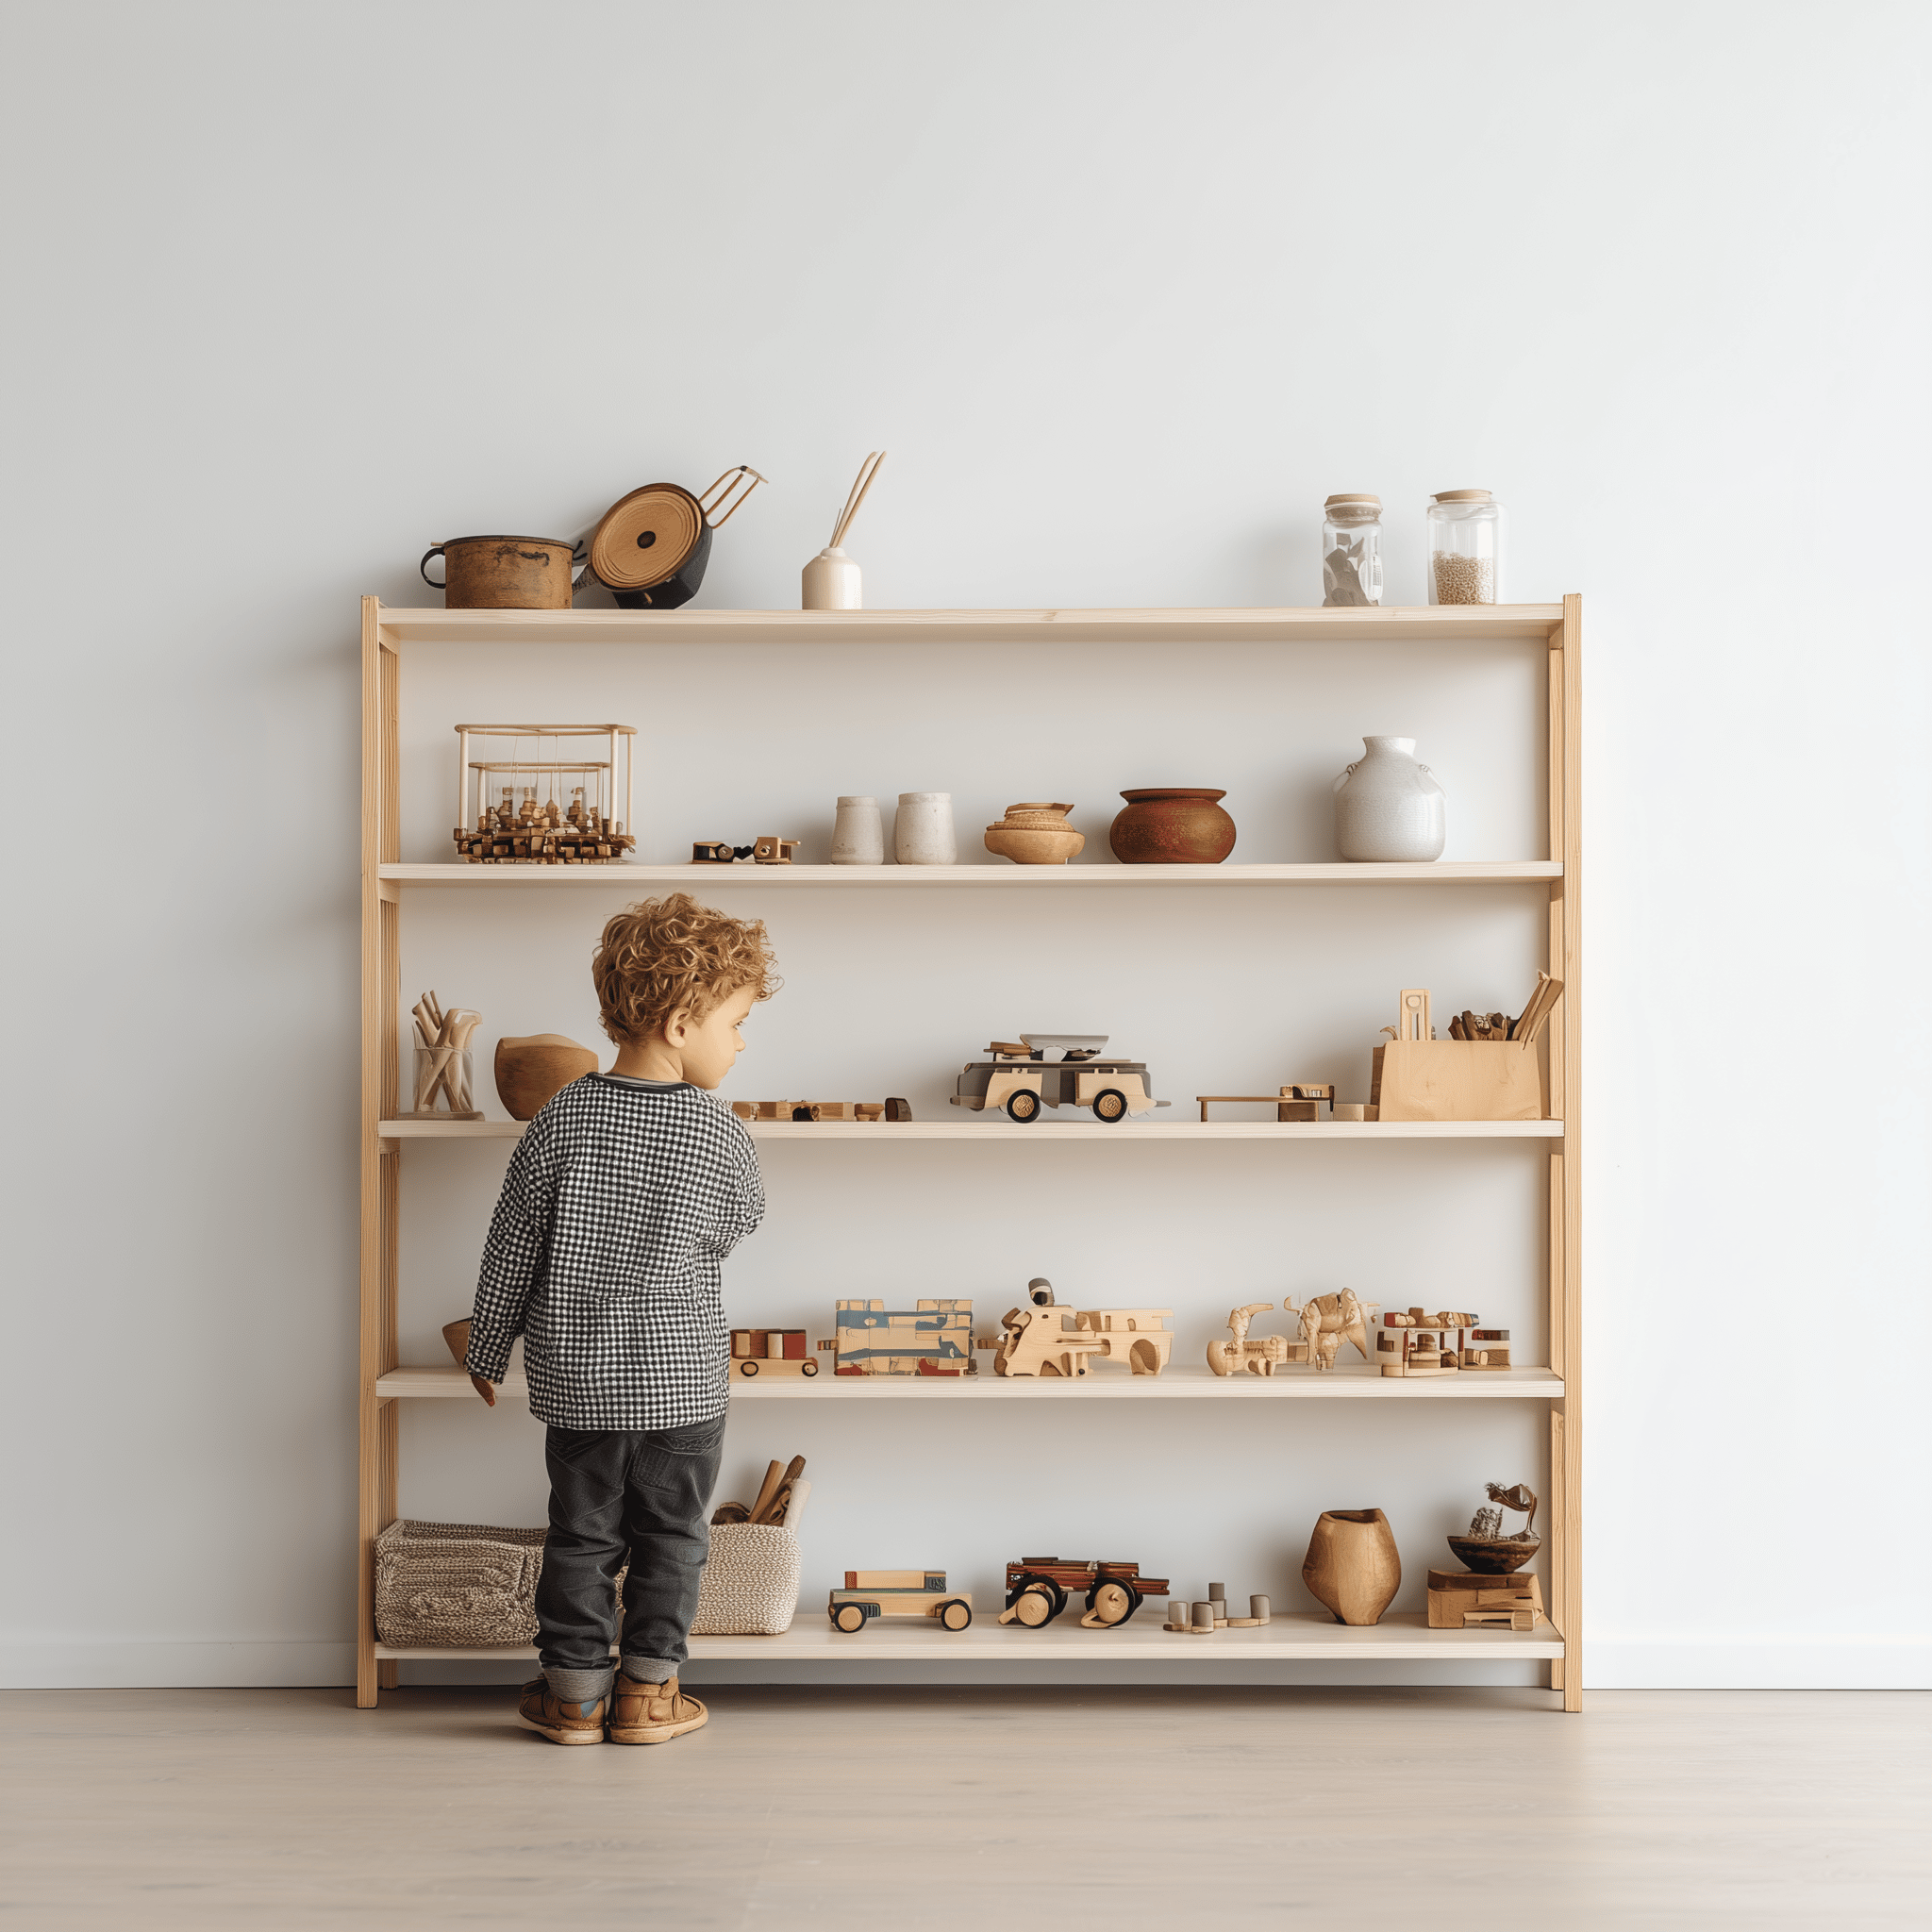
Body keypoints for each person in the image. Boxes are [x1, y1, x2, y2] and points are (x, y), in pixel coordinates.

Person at [463, 892, 776, 1745]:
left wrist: (488, 1348)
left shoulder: (559, 1116)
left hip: (579, 1385)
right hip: (681, 1386)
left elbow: (511, 1246)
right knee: (675, 1538)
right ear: (682, 1023)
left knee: (581, 1538)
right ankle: (648, 1695)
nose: (741, 1042)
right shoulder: (722, 1132)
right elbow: (740, 1220)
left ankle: (572, 1697)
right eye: (737, 1024)